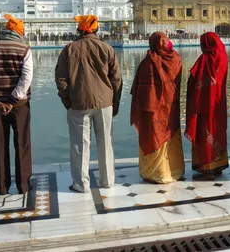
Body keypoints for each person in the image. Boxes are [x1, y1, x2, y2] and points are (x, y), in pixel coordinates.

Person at [55, 15, 123, 193]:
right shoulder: (106, 48)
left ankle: (81, 184)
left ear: (79, 30)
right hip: (105, 102)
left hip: (79, 103)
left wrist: (67, 101)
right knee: (105, 143)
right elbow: (116, 80)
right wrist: (114, 104)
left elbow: (61, 79)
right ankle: (107, 181)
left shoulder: (69, 49)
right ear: (96, 29)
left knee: (80, 144)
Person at [0, 14, 33, 195]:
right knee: (22, 144)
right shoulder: (24, 49)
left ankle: (2, 186)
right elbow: (26, 78)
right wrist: (13, 100)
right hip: (19, 105)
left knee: (0, 145)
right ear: (18, 31)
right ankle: (23, 185)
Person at [130, 32, 185, 184]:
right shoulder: (175, 60)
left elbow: (140, 92)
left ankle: (154, 173)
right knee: (168, 134)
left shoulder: (147, 63)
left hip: (152, 110)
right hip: (170, 109)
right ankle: (173, 169)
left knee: (153, 135)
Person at [185, 32, 229, 180]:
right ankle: (218, 164)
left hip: (204, 103)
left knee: (206, 131)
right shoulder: (223, 56)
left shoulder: (205, 59)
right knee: (218, 129)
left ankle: (207, 166)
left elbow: (195, 79)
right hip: (219, 102)